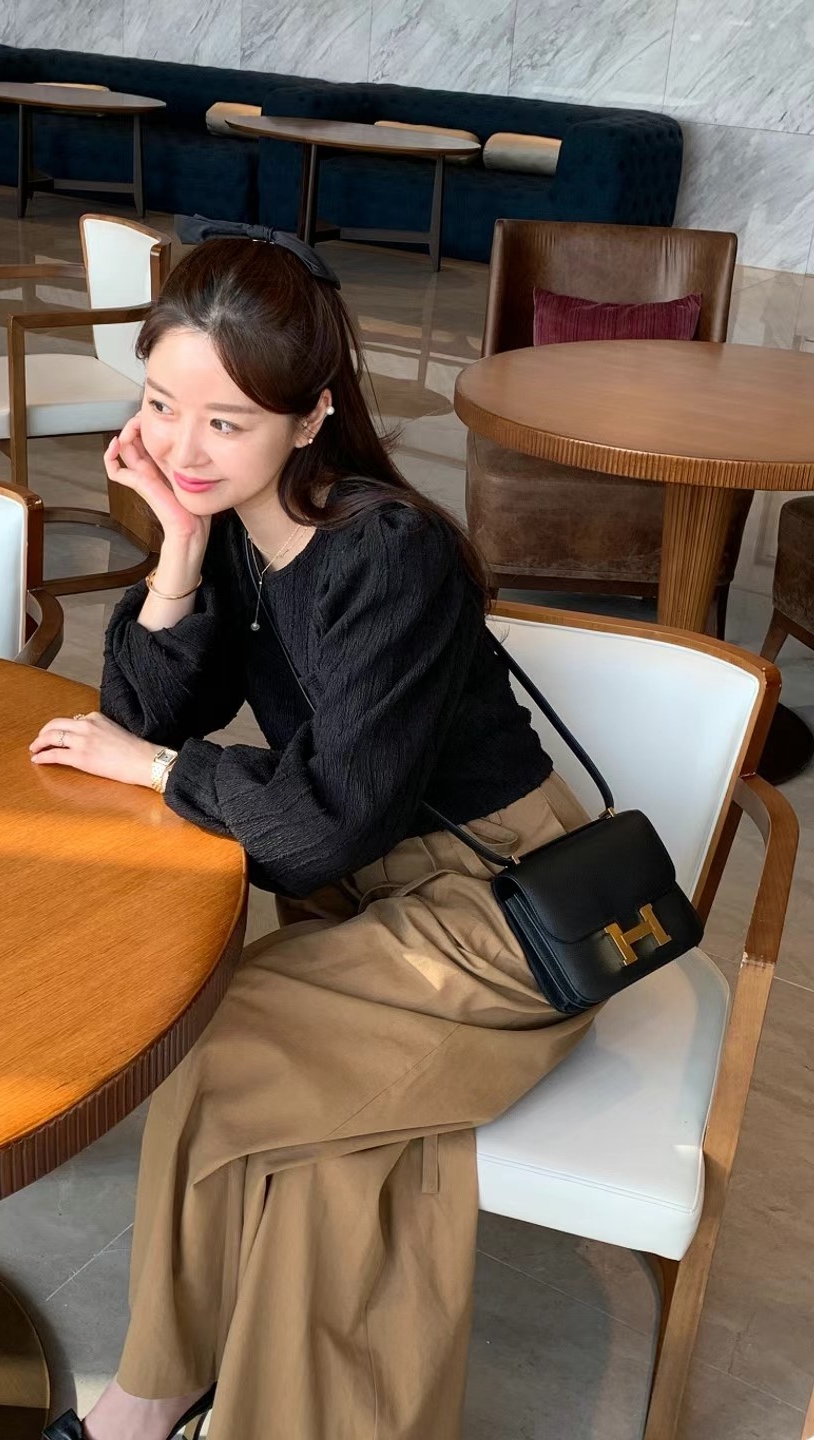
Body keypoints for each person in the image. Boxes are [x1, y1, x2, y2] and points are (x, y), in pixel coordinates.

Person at [32, 221, 595, 1440]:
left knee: (220, 1052)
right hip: (377, 902)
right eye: (159, 404)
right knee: (324, 1150)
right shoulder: (237, 523)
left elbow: (314, 825)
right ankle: (179, 1400)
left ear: (312, 416)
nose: (180, 447)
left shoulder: (387, 555)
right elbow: (138, 711)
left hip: (502, 910)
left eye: (225, 421)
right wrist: (179, 547)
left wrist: (167, 771)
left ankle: (148, 1401)